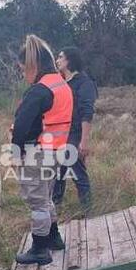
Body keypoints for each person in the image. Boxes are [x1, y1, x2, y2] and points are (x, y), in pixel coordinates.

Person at [12, 35, 73, 265]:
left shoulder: (38, 90)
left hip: (38, 153)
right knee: (46, 197)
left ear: (32, 65)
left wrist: (15, 153)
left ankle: (39, 249)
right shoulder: (61, 84)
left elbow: (21, 126)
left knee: (37, 201)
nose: (23, 74)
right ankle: (54, 238)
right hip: (57, 152)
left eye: (22, 69)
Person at [52, 47, 97, 213]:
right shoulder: (62, 82)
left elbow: (87, 112)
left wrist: (84, 142)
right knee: (58, 175)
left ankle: (90, 214)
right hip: (61, 135)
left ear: (69, 60)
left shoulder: (84, 83)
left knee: (78, 175)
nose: (57, 61)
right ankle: (55, 211)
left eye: (60, 57)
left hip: (75, 135)